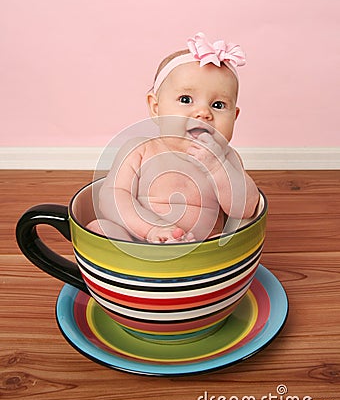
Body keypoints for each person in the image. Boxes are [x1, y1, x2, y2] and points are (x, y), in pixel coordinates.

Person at [87, 32, 259, 243]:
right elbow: (113, 197)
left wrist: (217, 166)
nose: (203, 113)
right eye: (186, 99)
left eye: (218, 105)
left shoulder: (226, 159)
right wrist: (150, 229)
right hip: (137, 241)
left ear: (235, 116)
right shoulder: (140, 150)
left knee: (245, 224)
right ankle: (129, 269)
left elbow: (247, 207)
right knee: (98, 228)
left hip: (201, 248)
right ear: (156, 107)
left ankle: (217, 264)